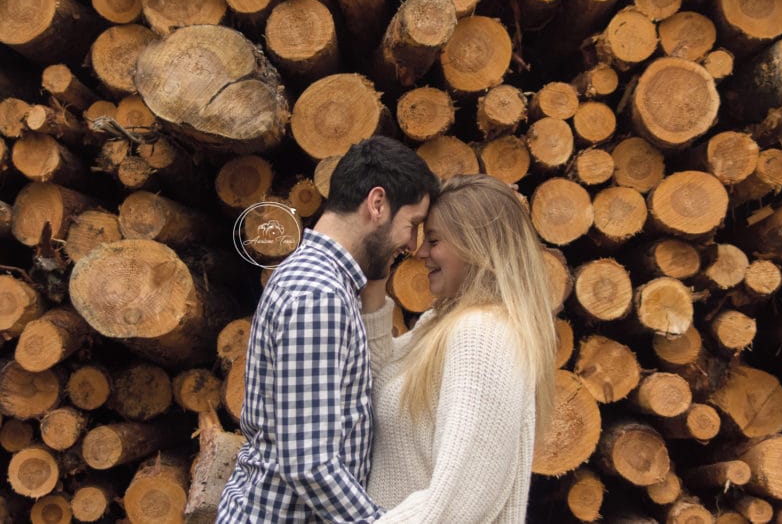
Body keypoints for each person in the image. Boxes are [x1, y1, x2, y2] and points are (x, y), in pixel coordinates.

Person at [217, 136, 440, 523]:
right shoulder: (319, 295)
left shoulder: (322, 280)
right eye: (412, 225)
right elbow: (309, 463)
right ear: (377, 204)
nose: (411, 243)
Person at [360, 173, 557, 522]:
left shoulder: (483, 334)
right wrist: (375, 282)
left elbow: (457, 502)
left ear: (476, 245)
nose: (419, 253)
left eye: (433, 240)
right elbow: (377, 376)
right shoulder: (442, 323)